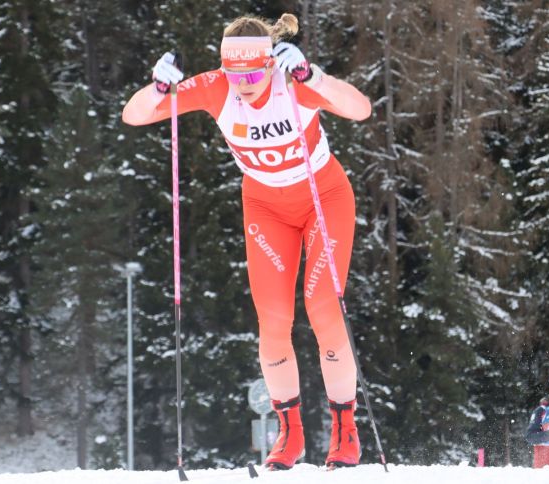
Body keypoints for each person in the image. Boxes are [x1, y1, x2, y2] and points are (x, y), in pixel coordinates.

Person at [122, 13, 371, 470]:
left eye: (253, 75)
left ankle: (345, 428)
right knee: (273, 321)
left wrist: (313, 76)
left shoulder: (292, 82)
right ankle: (290, 433)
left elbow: (360, 109)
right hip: (265, 208)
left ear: (269, 65)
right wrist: (157, 89)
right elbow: (134, 115)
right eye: (235, 76)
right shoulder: (217, 87)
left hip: (323, 198)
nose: (244, 86)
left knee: (322, 308)